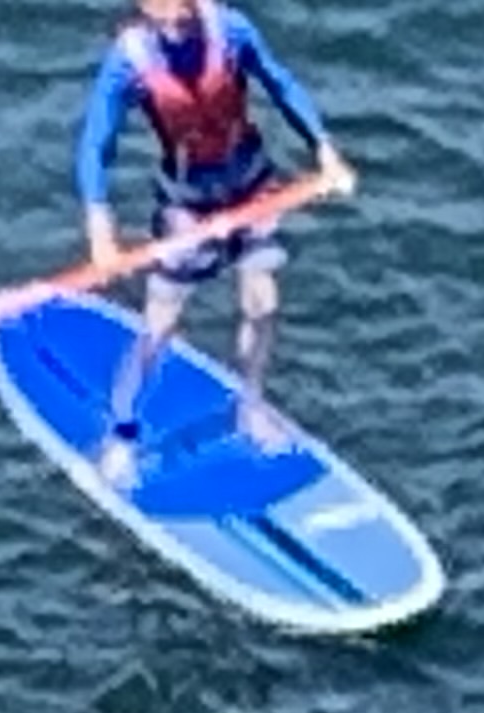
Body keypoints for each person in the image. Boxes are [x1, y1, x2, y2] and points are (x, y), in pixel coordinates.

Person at [72, 0, 354, 485]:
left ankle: (252, 404)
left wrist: (324, 149)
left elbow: (280, 83)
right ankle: (122, 433)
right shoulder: (130, 58)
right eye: (165, 19)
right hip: (187, 203)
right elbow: (96, 143)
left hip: (249, 186)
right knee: (161, 324)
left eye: (184, 17)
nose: (178, 27)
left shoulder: (230, 29)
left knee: (262, 303)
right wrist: (100, 227)